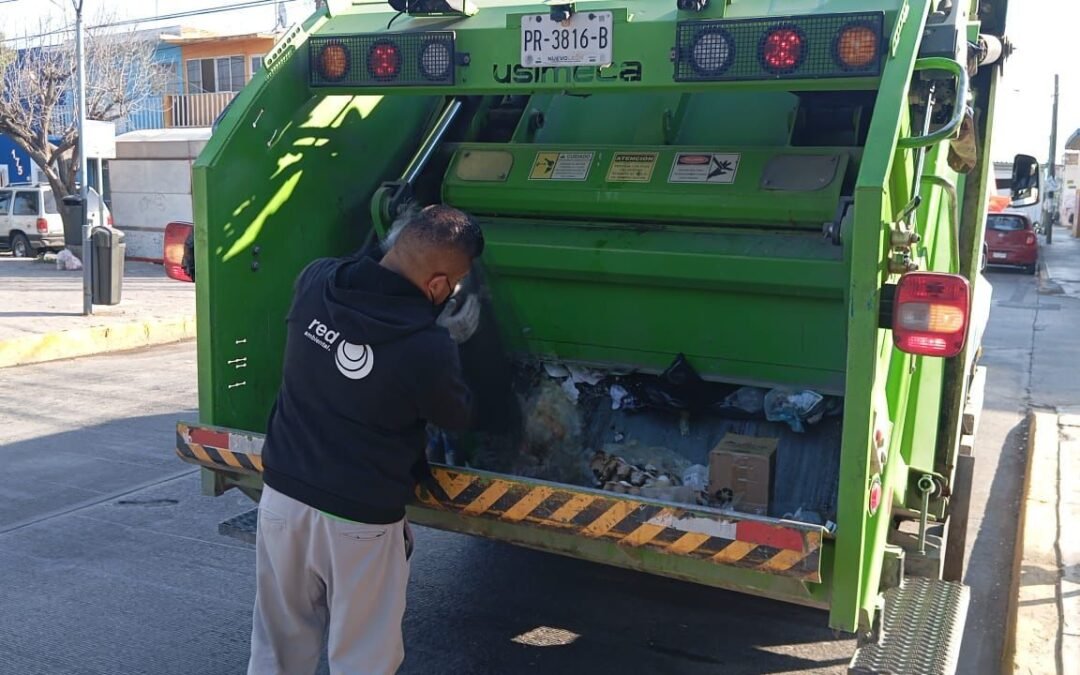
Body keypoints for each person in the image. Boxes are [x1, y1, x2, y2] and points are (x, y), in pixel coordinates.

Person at [247, 204, 484, 675]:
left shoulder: (316, 280)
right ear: (439, 286)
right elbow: (455, 415)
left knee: (277, 651)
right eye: (455, 284)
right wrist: (456, 342)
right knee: (363, 659)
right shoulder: (427, 347)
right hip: (359, 520)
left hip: (283, 499)